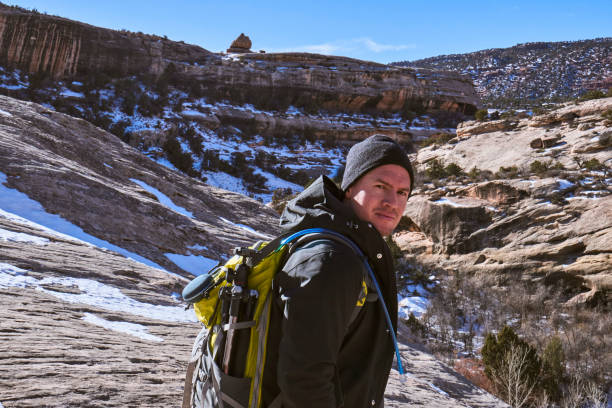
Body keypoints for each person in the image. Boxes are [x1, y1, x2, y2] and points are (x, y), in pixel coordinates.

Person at [260, 135, 414, 408]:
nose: (393, 201)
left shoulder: (351, 249)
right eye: (381, 186)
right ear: (349, 188)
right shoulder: (332, 261)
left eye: (402, 192)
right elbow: (305, 381)